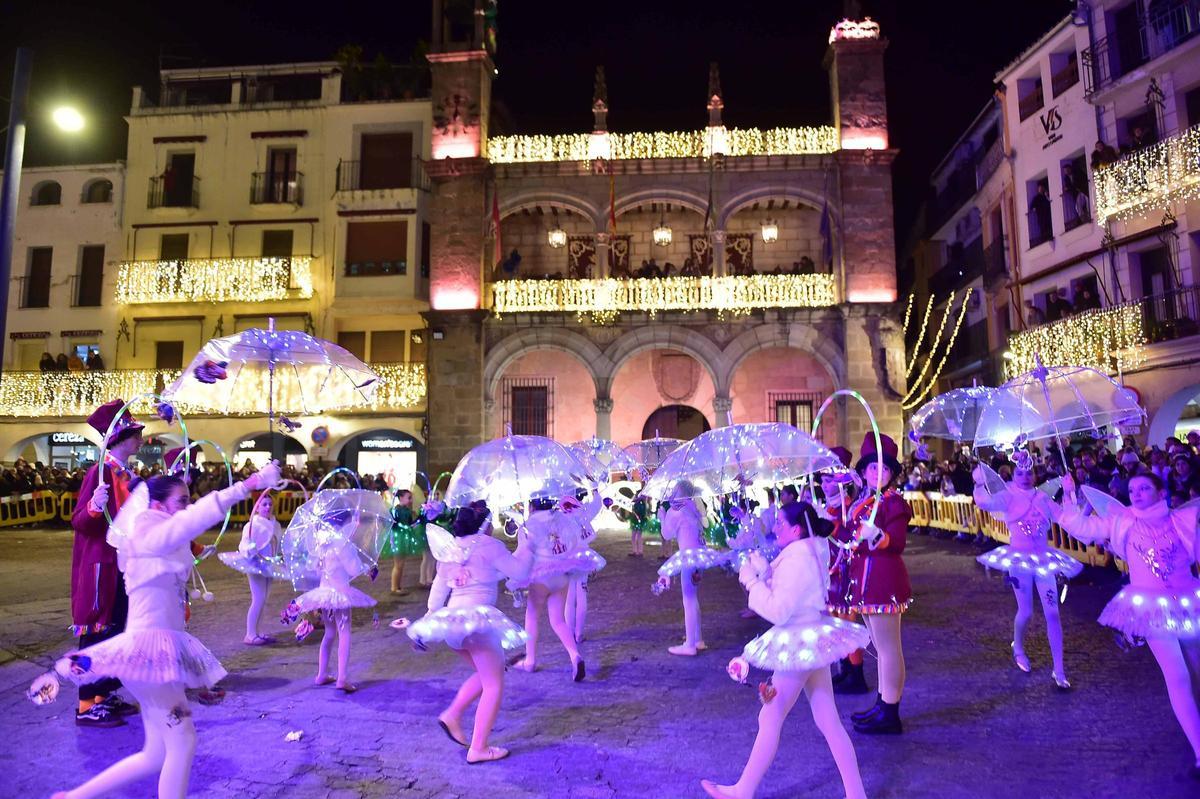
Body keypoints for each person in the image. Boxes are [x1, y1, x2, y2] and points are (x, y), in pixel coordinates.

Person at [51, 461, 280, 799]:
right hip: (147, 656)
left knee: (156, 753)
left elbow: (185, 531)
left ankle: (72, 797)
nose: (186, 506)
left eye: (188, 499)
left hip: (158, 656)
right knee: (184, 740)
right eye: (181, 500)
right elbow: (190, 521)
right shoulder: (147, 532)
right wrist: (248, 485)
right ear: (157, 505)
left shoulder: (160, 534)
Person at [701, 500, 869, 799]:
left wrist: (753, 583)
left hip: (799, 641)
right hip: (810, 637)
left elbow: (779, 609)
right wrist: (764, 571)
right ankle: (857, 794)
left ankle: (742, 791)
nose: (775, 527)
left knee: (771, 715)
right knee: (827, 719)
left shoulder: (798, 558)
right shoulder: (807, 550)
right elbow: (791, 590)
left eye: (780, 523)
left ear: (795, 528)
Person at [1058, 471, 1200, 779]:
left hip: (1190, 603)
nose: (1135, 493)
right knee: (1176, 676)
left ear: (1161, 492)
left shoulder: (1182, 520)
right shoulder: (1122, 521)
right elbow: (1082, 529)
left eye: (1144, 488)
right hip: (1149, 609)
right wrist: (1069, 494)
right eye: (1132, 489)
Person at [407, 503, 533, 763]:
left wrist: (429, 619)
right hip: (478, 625)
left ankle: (452, 715)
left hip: (454, 626)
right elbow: (520, 572)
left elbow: (437, 595)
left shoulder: (450, 549)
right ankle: (478, 748)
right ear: (485, 524)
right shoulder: (490, 546)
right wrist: (526, 544)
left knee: (489, 673)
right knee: (494, 684)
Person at [68, 400, 145, 728]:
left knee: (116, 631)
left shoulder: (125, 473)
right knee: (97, 635)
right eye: (135, 433)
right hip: (101, 566)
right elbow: (80, 521)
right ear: (120, 437)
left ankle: (103, 695)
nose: (141, 438)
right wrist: (94, 508)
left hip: (121, 565)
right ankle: (86, 705)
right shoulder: (98, 472)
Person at [973, 455, 1079, 688]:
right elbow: (984, 503)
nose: (1025, 477)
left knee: (1053, 613)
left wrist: (1070, 492)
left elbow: (1066, 517)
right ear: (1012, 475)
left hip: (1043, 561)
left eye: (1029, 473)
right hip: (1019, 562)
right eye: (1020, 473)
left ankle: (1059, 669)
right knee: (1027, 611)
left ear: (1036, 475)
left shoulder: (1043, 498)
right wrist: (979, 482)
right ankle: (1018, 647)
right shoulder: (1008, 497)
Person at [838, 433, 913, 735]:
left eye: (883, 470)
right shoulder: (864, 502)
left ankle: (891, 709)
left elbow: (897, 543)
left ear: (891, 474)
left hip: (884, 579)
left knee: (888, 647)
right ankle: (883, 702)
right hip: (866, 581)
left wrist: (878, 536)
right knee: (880, 649)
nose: (876, 474)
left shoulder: (893, 503)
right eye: (871, 469)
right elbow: (850, 538)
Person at [291, 496, 380, 693]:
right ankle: (342, 678)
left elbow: (313, 569)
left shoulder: (320, 544)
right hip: (340, 594)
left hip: (324, 594)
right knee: (344, 632)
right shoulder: (342, 543)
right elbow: (352, 567)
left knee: (330, 633)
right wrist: (368, 568)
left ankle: (321, 674)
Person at [510, 495, 591, 679]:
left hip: (540, 576)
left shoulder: (529, 524)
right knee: (558, 620)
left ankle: (530, 661)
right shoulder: (561, 519)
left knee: (532, 616)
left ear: (532, 505)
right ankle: (575, 655)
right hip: (561, 573)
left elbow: (524, 552)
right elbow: (572, 542)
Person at [656, 481, 725, 656]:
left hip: (687, 558)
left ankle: (689, 644)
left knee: (688, 599)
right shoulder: (692, 507)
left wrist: (662, 516)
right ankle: (698, 638)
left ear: (679, 492)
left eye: (674, 489)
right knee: (693, 597)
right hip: (699, 557)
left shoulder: (675, 511)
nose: (671, 492)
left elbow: (666, 534)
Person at [218, 491, 284, 645]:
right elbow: (244, 544)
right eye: (264, 504)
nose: (267, 507)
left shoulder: (276, 524)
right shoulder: (252, 525)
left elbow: (277, 544)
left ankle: (257, 632)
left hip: (270, 564)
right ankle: (250, 634)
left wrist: (279, 556)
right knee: (258, 599)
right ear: (258, 506)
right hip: (255, 564)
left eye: (270, 504)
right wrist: (251, 548)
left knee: (264, 599)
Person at [386, 489, 424, 595]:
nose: (411, 500)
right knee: (398, 564)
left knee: (401, 564)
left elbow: (410, 523)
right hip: (398, 538)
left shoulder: (407, 510)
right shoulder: (395, 510)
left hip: (404, 538)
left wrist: (420, 517)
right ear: (401, 498)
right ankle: (394, 587)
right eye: (409, 498)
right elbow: (391, 523)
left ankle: (397, 586)